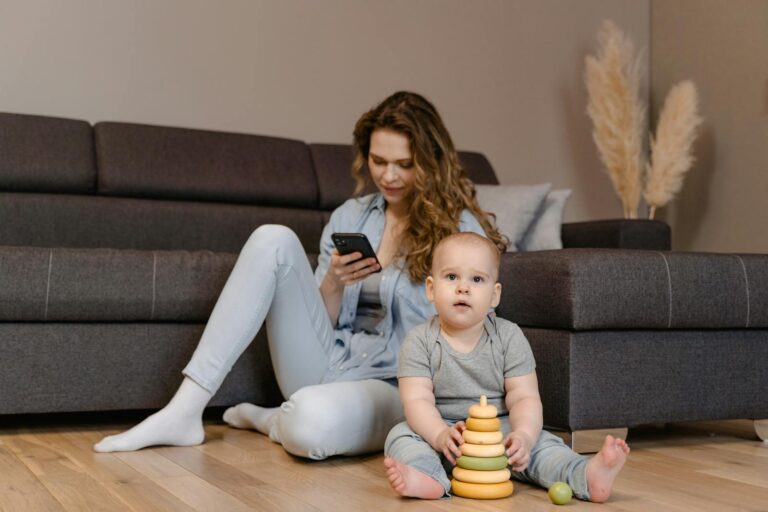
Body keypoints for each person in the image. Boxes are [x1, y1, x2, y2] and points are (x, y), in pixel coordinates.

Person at [93, 91, 507, 459]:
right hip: (330, 361)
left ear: (431, 164)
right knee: (271, 238)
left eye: (404, 164)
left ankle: (276, 420)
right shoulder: (351, 215)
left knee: (308, 426)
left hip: (397, 385)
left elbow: (472, 324)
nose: (389, 176)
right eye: (378, 161)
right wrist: (333, 282)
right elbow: (318, 322)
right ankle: (185, 410)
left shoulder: (460, 231)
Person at [383, 232, 629, 502]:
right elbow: (417, 401)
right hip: (445, 436)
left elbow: (524, 397)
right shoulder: (419, 341)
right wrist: (440, 435)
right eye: (452, 277)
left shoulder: (509, 337)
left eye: (477, 279)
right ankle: (427, 477)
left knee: (542, 443)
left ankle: (585, 475)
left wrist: (523, 436)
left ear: (494, 295)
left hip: (499, 433)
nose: (463, 288)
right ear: (431, 289)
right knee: (401, 436)